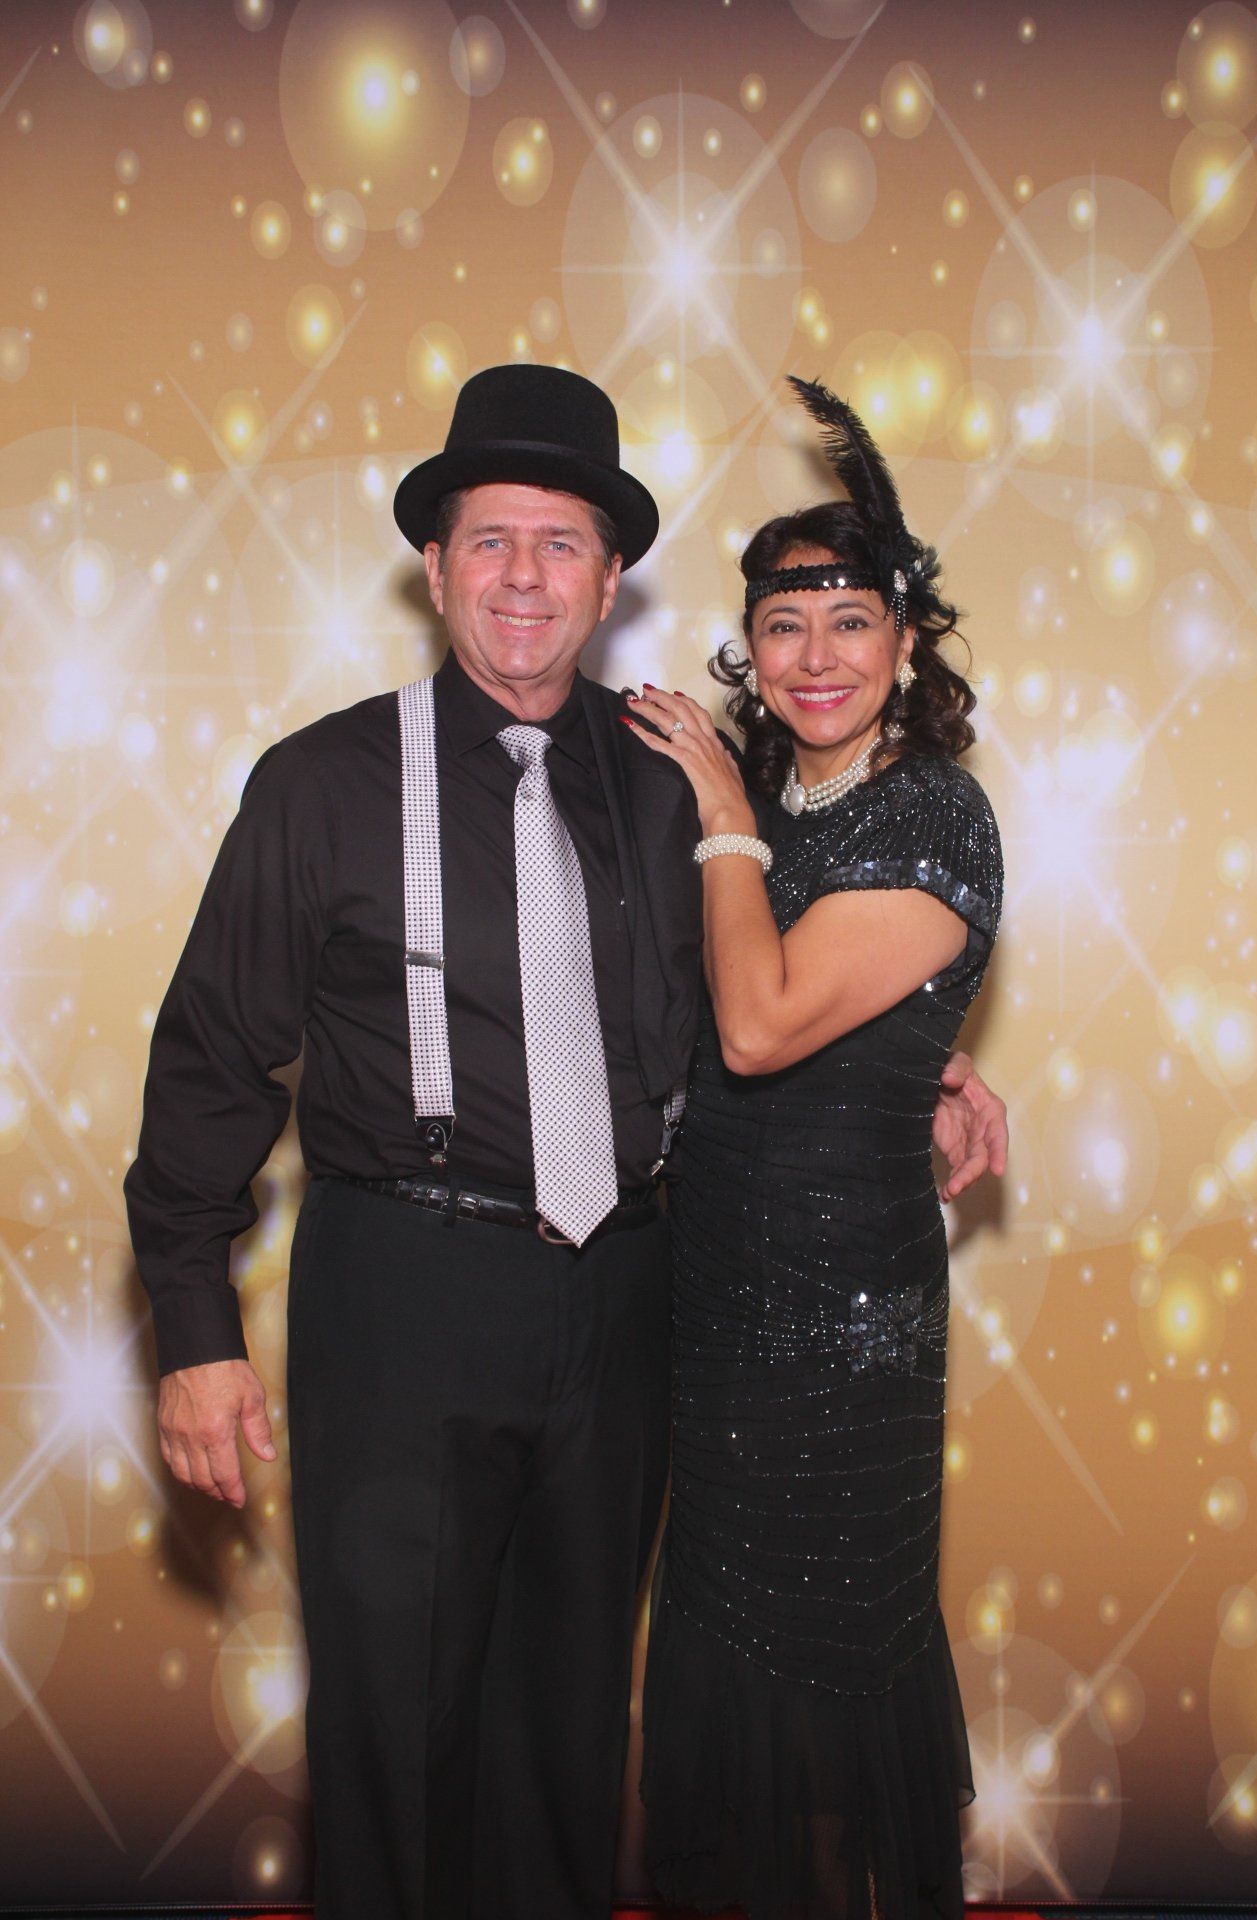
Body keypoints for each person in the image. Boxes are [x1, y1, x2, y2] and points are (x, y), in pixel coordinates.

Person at [124, 365, 1006, 1920]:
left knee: (568, 1741)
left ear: (610, 582)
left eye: (561, 545)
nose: (524, 576)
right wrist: (194, 1333)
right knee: (396, 1744)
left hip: (628, 1308)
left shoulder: (678, 783)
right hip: (403, 1296)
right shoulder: (321, 783)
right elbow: (209, 1060)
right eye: (491, 540)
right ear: (435, 566)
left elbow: (769, 981)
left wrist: (919, 1071)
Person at [631, 378, 1003, 1920]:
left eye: (852, 621)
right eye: (785, 625)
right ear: (750, 644)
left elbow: (763, 1023)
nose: (817, 655)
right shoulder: (771, 800)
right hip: (711, 1300)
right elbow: (706, 996)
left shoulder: (937, 816)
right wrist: (934, 1062)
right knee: (721, 1644)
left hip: (846, 1329)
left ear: (907, 642)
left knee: (834, 1657)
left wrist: (720, 809)